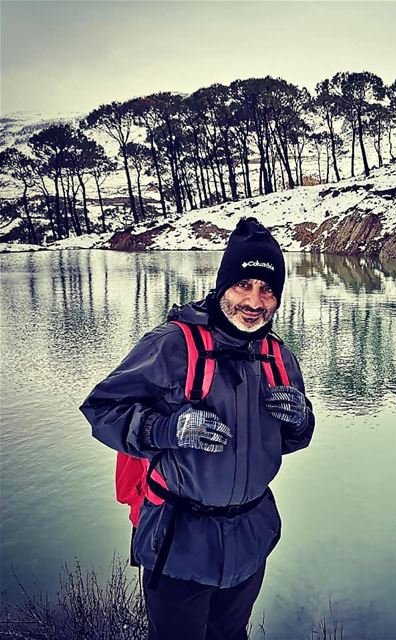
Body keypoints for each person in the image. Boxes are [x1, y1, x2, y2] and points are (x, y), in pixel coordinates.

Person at [80, 217, 314, 640]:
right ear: (223, 284)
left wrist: (302, 418)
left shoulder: (279, 356)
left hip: (250, 538)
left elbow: (292, 440)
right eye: (244, 286)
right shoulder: (172, 345)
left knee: (231, 635)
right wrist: (167, 430)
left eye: (267, 290)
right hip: (179, 541)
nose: (255, 302)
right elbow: (101, 409)